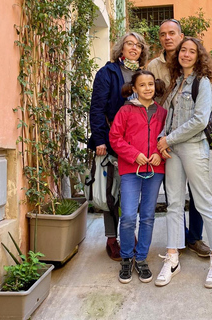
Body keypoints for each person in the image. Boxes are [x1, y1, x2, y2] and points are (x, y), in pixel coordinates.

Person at [155, 37, 212, 289]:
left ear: (199, 56)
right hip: (172, 149)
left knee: (204, 202)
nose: (185, 54)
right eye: (183, 50)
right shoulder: (176, 82)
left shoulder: (202, 83)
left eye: (191, 51)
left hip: (194, 147)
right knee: (173, 203)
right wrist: (163, 139)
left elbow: (199, 120)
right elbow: (169, 116)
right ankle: (172, 258)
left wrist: (168, 139)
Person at [147, 19, 211, 258]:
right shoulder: (155, 65)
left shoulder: (191, 62)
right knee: (173, 193)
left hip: (191, 136)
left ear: (181, 35)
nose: (167, 38)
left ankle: (194, 237)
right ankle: (178, 238)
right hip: (165, 136)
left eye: (172, 33)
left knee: (197, 192)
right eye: (163, 34)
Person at [88, 32, 148, 261]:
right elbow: (97, 108)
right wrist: (100, 140)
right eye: (129, 44)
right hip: (112, 143)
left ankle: (128, 231)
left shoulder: (143, 75)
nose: (134, 48)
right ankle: (112, 239)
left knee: (130, 191)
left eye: (138, 45)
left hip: (138, 145)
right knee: (111, 191)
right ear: (120, 49)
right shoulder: (108, 72)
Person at [109, 70, 167, 283]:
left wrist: (159, 155)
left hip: (155, 171)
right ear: (134, 88)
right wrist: (134, 155)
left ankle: (141, 258)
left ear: (155, 86)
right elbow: (115, 138)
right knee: (128, 217)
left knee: (148, 216)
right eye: (142, 85)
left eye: (150, 84)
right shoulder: (125, 111)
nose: (147, 88)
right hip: (130, 170)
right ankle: (126, 258)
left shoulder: (162, 112)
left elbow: (167, 138)